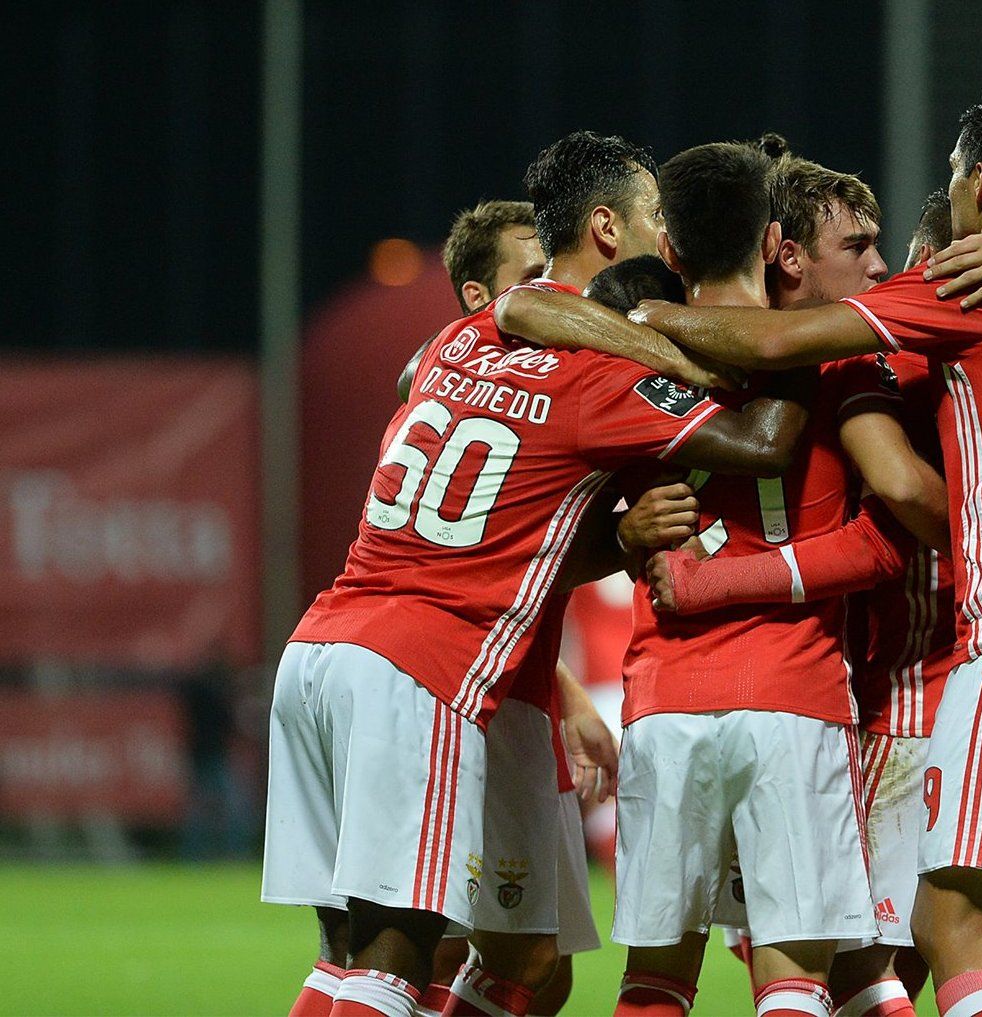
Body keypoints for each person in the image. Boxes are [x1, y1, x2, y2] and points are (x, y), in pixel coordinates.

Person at [261, 129, 809, 1017]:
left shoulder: (461, 335)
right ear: (606, 227)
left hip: (326, 644)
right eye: (653, 218)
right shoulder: (597, 373)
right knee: (396, 956)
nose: (668, 238)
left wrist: (621, 534)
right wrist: (788, 337)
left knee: (483, 961)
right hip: (429, 667)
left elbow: (475, 454)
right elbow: (762, 444)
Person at [633, 89, 982, 1017]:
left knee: (921, 939)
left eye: (890, 251)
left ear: (980, 190)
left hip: (925, 681)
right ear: (784, 251)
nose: (883, 267)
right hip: (857, 691)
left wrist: (628, 318)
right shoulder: (906, 334)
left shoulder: (891, 349)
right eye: (860, 248)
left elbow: (898, 509)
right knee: (871, 961)